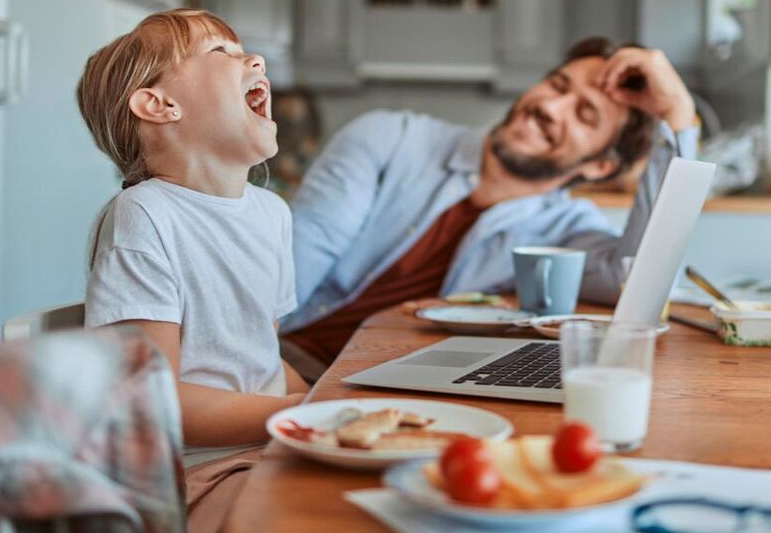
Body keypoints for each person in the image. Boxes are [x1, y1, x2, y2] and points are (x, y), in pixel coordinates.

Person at [283, 38, 700, 366]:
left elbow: (644, 286)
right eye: (557, 85)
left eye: (584, 114)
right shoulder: (388, 139)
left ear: (600, 167)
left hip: (396, 394)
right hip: (285, 361)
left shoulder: (566, 231)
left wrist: (678, 114)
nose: (550, 107)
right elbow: (287, 279)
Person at [75, 9, 309, 533]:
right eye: (221, 54)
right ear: (159, 105)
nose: (254, 61)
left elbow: (263, 359)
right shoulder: (146, 215)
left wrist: (328, 401)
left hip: (266, 447)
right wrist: (302, 413)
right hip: (192, 472)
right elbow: (153, 403)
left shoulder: (272, 214)